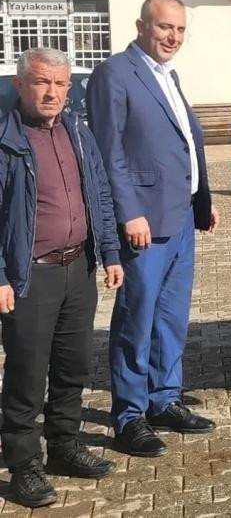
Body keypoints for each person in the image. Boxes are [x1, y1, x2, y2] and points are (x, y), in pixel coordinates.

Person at [87, 0, 219, 458]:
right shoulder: (115, 73)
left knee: (171, 317)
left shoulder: (169, 75)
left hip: (179, 215)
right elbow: (109, 151)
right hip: (143, 220)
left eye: (180, 30)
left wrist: (201, 197)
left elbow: (184, 142)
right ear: (141, 25)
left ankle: (165, 399)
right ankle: (128, 414)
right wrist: (127, 212)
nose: (173, 37)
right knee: (136, 318)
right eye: (165, 27)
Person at [0, 48, 124, 507]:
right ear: (20, 85)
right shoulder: (7, 139)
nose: (52, 92)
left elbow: (102, 194)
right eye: (41, 82)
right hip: (30, 275)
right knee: (27, 375)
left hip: (79, 268)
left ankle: (64, 446)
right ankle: (23, 464)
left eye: (60, 84)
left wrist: (110, 251)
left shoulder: (79, 132)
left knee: (72, 367)